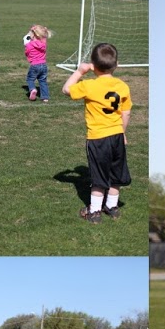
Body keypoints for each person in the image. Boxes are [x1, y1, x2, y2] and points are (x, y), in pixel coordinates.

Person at [63, 42, 133, 223]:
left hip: (98, 138)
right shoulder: (123, 86)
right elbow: (126, 112)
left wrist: (80, 72)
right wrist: (122, 132)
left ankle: (94, 212)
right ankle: (112, 206)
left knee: (98, 176)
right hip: (117, 136)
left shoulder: (89, 86)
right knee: (116, 173)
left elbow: (66, 89)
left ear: (93, 66)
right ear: (116, 65)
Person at [24, 24, 51, 102]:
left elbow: (27, 52)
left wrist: (26, 45)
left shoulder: (30, 45)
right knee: (43, 81)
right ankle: (45, 97)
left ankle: (32, 89)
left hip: (34, 65)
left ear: (33, 35)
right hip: (44, 65)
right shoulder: (43, 43)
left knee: (30, 79)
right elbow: (44, 38)